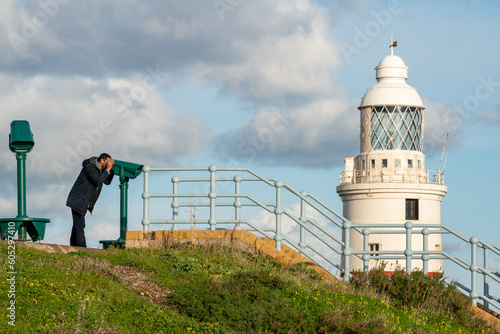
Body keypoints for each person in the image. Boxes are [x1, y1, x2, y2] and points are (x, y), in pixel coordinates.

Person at [66, 153, 115, 247]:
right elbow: (98, 181)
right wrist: (108, 169)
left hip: (83, 201)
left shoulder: (100, 170)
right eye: (107, 162)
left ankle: (73, 246)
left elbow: (106, 181)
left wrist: (110, 170)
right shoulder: (90, 167)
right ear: (102, 161)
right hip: (78, 200)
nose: (109, 164)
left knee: (77, 224)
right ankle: (82, 249)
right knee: (80, 225)